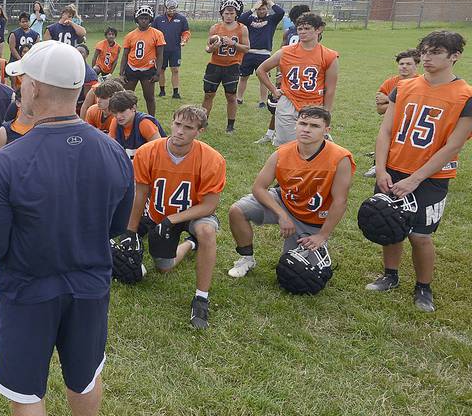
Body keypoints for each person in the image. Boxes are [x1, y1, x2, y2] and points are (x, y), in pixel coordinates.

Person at [0, 40, 133, 416]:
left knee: (25, 391)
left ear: (35, 90)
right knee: (85, 373)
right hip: (89, 285)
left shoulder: (8, 161)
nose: (19, 86)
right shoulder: (112, 152)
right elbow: (117, 225)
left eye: (23, 80)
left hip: (27, 290)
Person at [368, 31, 471, 312]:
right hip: (394, 169)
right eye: (424, 51)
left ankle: (423, 287)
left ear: (454, 56)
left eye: (436, 52)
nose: (427, 57)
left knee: (420, 235)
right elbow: (386, 130)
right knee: (390, 226)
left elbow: (453, 146)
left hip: (431, 177)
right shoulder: (404, 87)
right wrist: (380, 169)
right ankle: (390, 275)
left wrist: (415, 179)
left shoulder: (465, 95)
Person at [127, 105, 226, 329]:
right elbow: (140, 193)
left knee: (207, 231)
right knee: (164, 267)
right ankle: (191, 245)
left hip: (193, 215)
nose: (180, 131)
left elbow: (209, 205)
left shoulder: (212, 159)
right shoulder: (148, 151)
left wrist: (172, 219)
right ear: (171, 122)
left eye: (188, 127)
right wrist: (131, 231)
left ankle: (201, 298)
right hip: (158, 215)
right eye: (178, 124)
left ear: (199, 131)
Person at [227, 106, 353, 278]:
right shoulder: (282, 153)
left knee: (302, 275)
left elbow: (340, 201)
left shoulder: (340, 158)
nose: (306, 129)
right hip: (284, 202)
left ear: (326, 130)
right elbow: (258, 187)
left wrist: (323, 235)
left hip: (313, 217)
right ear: (296, 125)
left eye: (314, 126)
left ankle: (316, 247)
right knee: (237, 210)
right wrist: (282, 215)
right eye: (303, 123)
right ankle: (246, 258)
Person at [255, 13, 339, 146]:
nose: (302, 32)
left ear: (318, 29)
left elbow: (330, 89)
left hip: (314, 103)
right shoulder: (285, 52)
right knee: (286, 145)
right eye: (300, 29)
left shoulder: (329, 56)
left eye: (307, 28)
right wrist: (273, 90)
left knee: (312, 146)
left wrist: (326, 113)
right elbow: (261, 70)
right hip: (289, 101)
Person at [364, 50, 422, 177]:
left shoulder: (422, 83)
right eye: (401, 64)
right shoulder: (390, 82)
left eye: (408, 64)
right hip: (391, 122)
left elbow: (415, 109)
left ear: (416, 65)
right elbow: (380, 110)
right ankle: (377, 165)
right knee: (383, 138)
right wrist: (395, 102)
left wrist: (388, 100)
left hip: (412, 124)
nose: (404, 66)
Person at [203, 0, 251, 133]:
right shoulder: (215, 28)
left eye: (231, 13)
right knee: (208, 95)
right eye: (226, 13)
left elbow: (247, 48)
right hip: (214, 65)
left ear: (236, 13)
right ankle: (203, 121)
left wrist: (233, 43)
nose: (229, 16)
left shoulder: (243, 28)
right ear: (222, 13)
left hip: (232, 66)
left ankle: (230, 125)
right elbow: (207, 49)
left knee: (231, 96)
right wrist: (213, 47)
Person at [237, 0, 285, 105]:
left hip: (264, 54)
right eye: (259, 9)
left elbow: (280, 12)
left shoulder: (272, 20)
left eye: (263, 9)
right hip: (248, 53)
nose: (261, 11)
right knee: (243, 77)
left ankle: (262, 101)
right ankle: (239, 98)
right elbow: (240, 19)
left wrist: (270, 2)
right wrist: (253, 8)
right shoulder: (250, 20)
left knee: (263, 79)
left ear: (267, 9)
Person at [118, 5, 165, 116]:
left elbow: (160, 55)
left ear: (150, 19)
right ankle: (127, 117)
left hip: (148, 69)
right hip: (132, 68)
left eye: (146, 18)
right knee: (127, 98)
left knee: (149, 97)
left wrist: (158, 73)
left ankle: (152, 119)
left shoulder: (157, 34)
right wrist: (121, 73)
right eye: (141, 18)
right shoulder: (130, 35)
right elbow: (125, 55)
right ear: (137, 19)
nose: (144, 21)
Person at [105, 90, 164, 159]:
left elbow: (159, 150)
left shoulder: (144, 123)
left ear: (133, 108)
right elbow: (110, 147)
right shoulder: (115, 122)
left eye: (122, 111)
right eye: (115, 112)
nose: (118, 116)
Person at [153, 0, 191, 99]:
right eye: (169, 9)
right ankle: (162, 90)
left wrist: (184, 40)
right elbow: (153, 33)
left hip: (175, 49)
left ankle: (175, 92)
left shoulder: (181, 19)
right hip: (161, 49)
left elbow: (186, 32)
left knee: (175, 70)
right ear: (165, 8)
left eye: (173, 9)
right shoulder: (158, 19)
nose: (171, 11)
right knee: (161, 69)